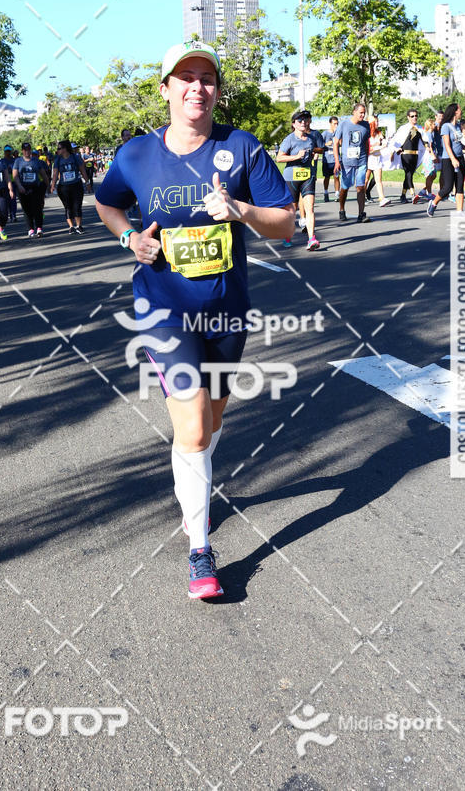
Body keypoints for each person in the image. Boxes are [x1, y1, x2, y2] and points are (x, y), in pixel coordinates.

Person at [95, 41, 294, 600]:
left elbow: (284, 224)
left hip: (227, 312)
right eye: (185, 78)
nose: (196, 88)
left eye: (207, 78)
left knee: (211, 422)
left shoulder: (242, 148)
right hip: (162, 309)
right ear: (165, 89)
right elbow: (107, 202)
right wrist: (128, 238)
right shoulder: (136, 154)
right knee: (194, 427)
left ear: (217, 90)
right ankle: (200, 550)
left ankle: (193, 488)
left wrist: (242, 211)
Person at [276, 109, 323, 250]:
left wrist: (318, 151)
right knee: (292, 210)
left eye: (305, 120)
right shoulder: (289, 139)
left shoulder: (311, 139)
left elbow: (317, 149)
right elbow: (279, 158)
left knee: (310, 208)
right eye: (300, 120)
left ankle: (311, 239)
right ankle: (287, 236)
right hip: (291, 178)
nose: (303, 122)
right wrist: (296, 156)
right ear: (294, 124)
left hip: (307, 177)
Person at [333, 103, 371, 223]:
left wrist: (367, 157)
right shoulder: (344, 124)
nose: (362, 115)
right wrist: (337, 161)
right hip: (347, 161)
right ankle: (342, 209)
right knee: (345, 187)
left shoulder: (366, 125)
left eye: (364, 113)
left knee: (360, 187)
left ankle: (361, 214)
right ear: (354, 112)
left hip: (361, 160)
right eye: (360, 112)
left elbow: (365, 143)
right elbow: (335, 143)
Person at [427, 103, 465, 216]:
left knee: (459, 185)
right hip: (448, 159)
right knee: (448, 187)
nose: (461, 111)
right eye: (460, 109)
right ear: (455, 111)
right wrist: (453, 159)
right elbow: (447, 145)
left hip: (460, 158)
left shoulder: (458, 126)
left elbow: (457, 142)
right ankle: (433, 203)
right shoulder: (445, 126)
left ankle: (460, 211)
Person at [50, 139, 91, 234]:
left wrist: (87, 183)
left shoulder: (75, 157)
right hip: (63, 187)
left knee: (77, 206)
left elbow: (82, 170)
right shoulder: (57, 159)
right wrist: (52, 186)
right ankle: (71, 226)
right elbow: (55, 174)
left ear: (65, 149)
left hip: (76, 185)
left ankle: (78, 226)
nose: (58, 150)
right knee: (68, 207)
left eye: (59, 148)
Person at [12, 141, 49, 237]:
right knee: (27, 210)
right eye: (25, 150)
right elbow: (15, 175)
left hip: (35, 188)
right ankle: (31, 229)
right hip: (23, 188)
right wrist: (19, 186)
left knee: (37, 208)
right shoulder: (18, 161)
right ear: (22, 151)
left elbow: (43, 174)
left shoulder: (36, 161)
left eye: (28, 150)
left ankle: (39, 228)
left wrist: (48, 185)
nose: (27, 152)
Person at [393, 109, 422, 202]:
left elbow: (424, 141)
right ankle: (413, 194)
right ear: (408, 117)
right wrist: (396, 149)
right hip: (405, 155)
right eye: (412, 116)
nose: (415, 118)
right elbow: (396, 140)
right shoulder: (403, 128)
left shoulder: (419, 128)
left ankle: (403, 195)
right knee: (408, 173)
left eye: (416, 115)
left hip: (415, 155)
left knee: (409, 175)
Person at [365, 116, 390, 207]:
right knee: (365, 180)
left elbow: (383, 143)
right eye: (375, 122)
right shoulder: (366, 134)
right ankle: (362, 196)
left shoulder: (379, 133)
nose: (377, 124)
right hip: (368, 159)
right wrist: (377, 147)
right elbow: (368, 150)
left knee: (378, 180)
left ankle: (382, 198)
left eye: (378, 122)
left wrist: (384, 143)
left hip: (377, 158)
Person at [413, 117, 436, 204]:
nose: (435, 125)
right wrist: (433, 156)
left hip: (429, 156)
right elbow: (429, 146)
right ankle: (429, 194)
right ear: (430, 125)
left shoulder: (430, 133)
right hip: (428, 157)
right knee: (430, 175)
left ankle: (423, 192)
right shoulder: (428, 134)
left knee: (433, 175)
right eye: (433, 124)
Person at [321, 116, 340, 203]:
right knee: (327, 177)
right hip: (327, 160)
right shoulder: (325, 134)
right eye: (334, 123)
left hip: (336, 159)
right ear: (330, 124)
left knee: (336, 177)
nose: (336, 125)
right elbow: (319, 145)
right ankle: (325, 192)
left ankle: (337, 194)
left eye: (337, 123)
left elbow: (342, 143)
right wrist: (325, 144)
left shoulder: (338, 133)